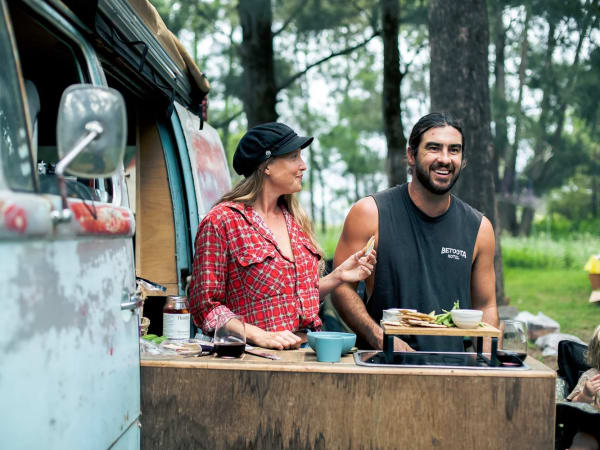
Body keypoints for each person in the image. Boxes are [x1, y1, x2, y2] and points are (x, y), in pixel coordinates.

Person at [188, 122, 376, 350]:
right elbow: (205, 306)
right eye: (294, 156)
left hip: (308, 352)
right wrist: (258, 335)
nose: (303, 165)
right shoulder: (222, 221)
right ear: (267, 165)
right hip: (257, 357)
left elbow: (292, 297)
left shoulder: (296, 219)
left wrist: (338, 276)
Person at [331, 112, 498, 351]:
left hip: (454, 366)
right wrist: (380, 338)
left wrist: (488, 360)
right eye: (433, 148)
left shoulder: (480, 228)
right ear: (411, 155)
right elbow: (341, 287)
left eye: (454, 150)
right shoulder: (370, 213)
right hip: (385, 363)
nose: (445, 159)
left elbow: (486, 305)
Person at [565, 325, 600, 450]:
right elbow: (573, 407)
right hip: (594, 431)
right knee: (582, 441)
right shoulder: (591, 376)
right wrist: (586, 394)